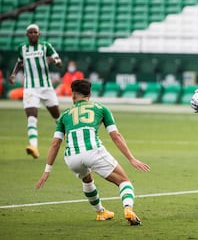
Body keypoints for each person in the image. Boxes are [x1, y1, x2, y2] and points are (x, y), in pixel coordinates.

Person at [35, 79, 150, 225]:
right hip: (93, 152)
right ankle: (128, 209)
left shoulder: (64, 115)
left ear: (73, 96)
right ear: (90, 94)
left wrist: (47, 171)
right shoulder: (101, 108)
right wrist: (131, 159)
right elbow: (115, 136)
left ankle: (101, 212)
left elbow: (55, 143)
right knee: (123, 181)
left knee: (87, 178)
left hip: (72, 158)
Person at [8, 24, 62, 159]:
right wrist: (14, 74)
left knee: (57, 118)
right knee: (31, 118)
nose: (32, 34)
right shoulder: (22, 48)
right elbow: (20, 62)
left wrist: (54, 61)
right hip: (30, 88)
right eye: (30, 32)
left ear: (39, 34)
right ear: (27, 35)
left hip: (46, 87)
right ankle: (34, 147)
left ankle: (71, 139)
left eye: (35, 32)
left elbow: (59, 61)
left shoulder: (46, 46)